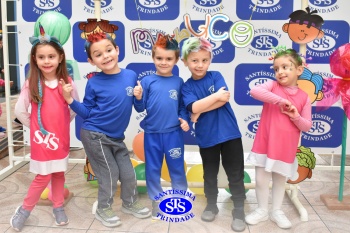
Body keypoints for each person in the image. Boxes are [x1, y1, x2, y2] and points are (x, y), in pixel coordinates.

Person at [60, 31, 151, 228]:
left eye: (108, 50)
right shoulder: (94, 83)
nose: (106, 56)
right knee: (109, 173)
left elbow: (140, 108)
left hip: (117, 138)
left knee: (128, 174)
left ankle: (130, 203)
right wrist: (69, 100)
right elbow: (86, 111)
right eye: (98, 54)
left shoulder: (130, 75)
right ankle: (103, 208)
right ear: (92, 61)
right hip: (95, 135)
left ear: (117, 50)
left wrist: (138, 96)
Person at [10, 24, 79, 231]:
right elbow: (20, 110)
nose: (46, 61)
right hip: (42, 142)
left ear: (60, 58)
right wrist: (36, 127)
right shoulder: (31, 83)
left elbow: (74, 108)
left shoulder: (67, 83)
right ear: (35, 59)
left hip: (60, 139)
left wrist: (60, 126)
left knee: (58, 174)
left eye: (51, 56)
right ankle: (24, 209)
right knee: (42, 177)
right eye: (41, 57)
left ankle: (58, 206)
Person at [181, 37, 246, 232]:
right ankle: (211, 204)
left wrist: (199, 111)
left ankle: (239, 208)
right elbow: (193, 106)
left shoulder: (216, 75)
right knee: (209, 174)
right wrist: (207, 101)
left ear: (209, 60)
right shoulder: (186, 86)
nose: (199, 65)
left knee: (235, 173)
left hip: (230, 134)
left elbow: (224, 99)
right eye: (194, 60)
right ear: (185, 62)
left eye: (204, 60)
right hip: (207, 137)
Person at [245, 48, 312, 229]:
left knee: (280, 180)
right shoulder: (272, 86)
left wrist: (295, 115)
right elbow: (254, 91)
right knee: (260, 179)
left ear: (299, 70)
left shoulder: (304, 98)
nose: (280, 72)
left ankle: (276, 210)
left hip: (285, 147)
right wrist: (280, 101)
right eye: (276, 68)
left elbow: (306, 126)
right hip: (265, 143)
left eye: (285, 67)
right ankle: (261, 210)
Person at [134, 34, 190, 219]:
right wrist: (139, 96)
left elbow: (182, 106)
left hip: (174, 134)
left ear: (176, 60)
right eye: (159, 58)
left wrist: (183, 119)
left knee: (177, 169)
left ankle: (179, 200)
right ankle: (157, 201)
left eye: (168, 59)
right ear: (153, 58)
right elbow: (140, 108)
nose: (163, 62)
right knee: (152, 169)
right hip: (152, 134)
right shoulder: (148, 81)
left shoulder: (179, 82)